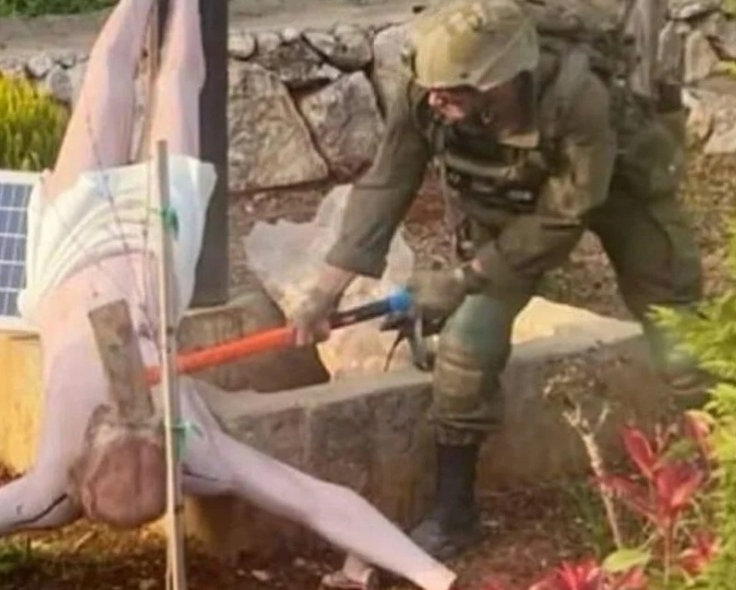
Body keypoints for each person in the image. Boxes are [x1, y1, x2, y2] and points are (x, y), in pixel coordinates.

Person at [0, 1, 459, 589]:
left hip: (70, 247)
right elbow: (317, 499)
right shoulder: (195, 451)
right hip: (154, 241)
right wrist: (431, 575)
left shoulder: (61, 486)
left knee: (112, 80)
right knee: (172, 81)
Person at [292, 0, 709, 576]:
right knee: (466, 345)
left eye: (455, 91)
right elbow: (387, 181)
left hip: (617, 189)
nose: (437, 99)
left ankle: (730, 472)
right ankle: (455, 512)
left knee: (678, 332)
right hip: (508, 206)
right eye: (432, 88)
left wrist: (462, 278)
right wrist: (326, 289)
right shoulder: (427, 91)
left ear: (503, 80)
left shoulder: (577, 97)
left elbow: (566, 216)